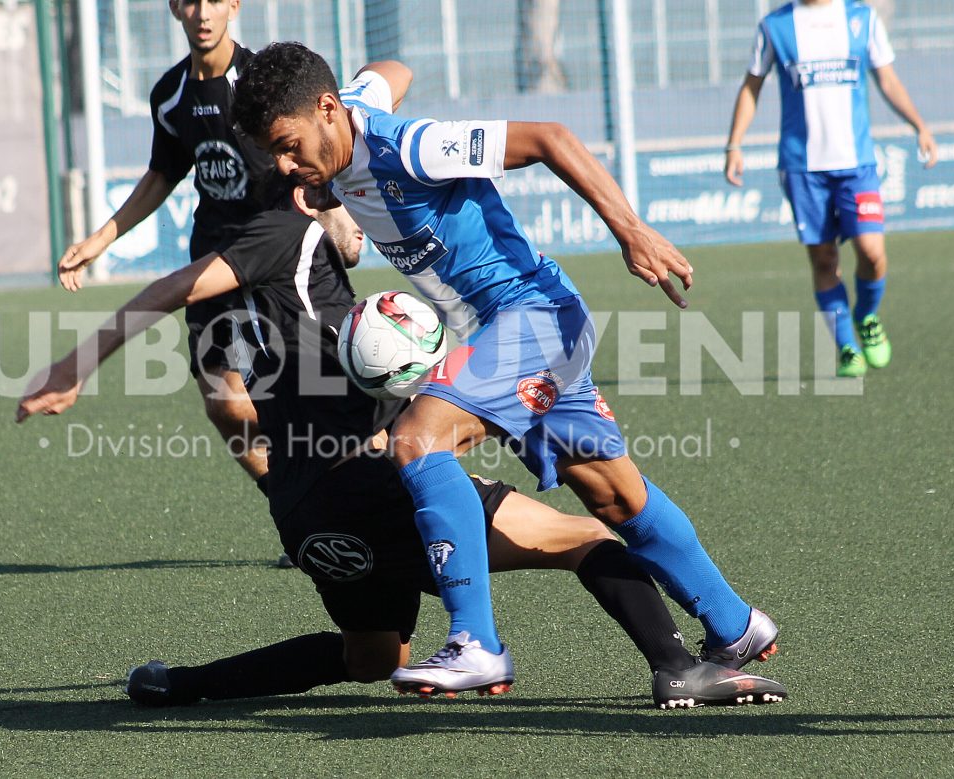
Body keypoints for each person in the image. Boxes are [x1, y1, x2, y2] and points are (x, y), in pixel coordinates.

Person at [17, 175, 788, 709]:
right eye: (347, 204)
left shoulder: (312, 297)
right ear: (312, 197)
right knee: (587, 536)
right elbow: (167, 289)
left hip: (304, 508)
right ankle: (679, 667)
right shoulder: (289, 236)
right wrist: (72, 365)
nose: (361, 223)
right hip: (368, 484)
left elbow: (239, 393)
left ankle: (178, 685)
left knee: (371, 656)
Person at [231, 43, 779, 696]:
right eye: (275, 154)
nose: (288, 167)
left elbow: (550, 137)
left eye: (290, 146)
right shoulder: (348, 118)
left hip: (532, 318)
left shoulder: (409, 148)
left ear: (325, 111)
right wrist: (366, 87)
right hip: (523, 329)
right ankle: (736, 623)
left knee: (417, 439)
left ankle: (476, 643)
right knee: (615, 496)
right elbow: (391, 71)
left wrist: (630, 229)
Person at [56, 0, 276, 499]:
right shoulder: (170, 94)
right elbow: (162, 174)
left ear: (234, 7)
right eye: (192, 1)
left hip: (275, 259)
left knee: (312, 400)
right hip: (210, 262)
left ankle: (354, 498)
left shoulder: (264, 82)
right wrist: (100, 238)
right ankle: (291, 500)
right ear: (176, 8)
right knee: (225, 406)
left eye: (215, 1)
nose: (203, 13)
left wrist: (332, 215)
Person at [724, 0, 938, 377]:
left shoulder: (861, 19)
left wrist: (919, 125)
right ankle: (846, 347)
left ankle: (867, 316)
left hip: (857, 165)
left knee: (872, 253)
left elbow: (887, 79)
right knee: (824, 260)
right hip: (802, 167)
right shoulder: (776, 26)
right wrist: (734, 144)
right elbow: (751, 86)